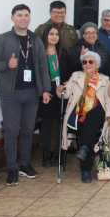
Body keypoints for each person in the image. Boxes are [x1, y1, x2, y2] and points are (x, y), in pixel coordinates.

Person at [0, 4, 52, 186]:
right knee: (11, 132)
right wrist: (6, 65)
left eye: (26, 15)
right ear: (12, 18)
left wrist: (45, 90)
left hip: (32, 93)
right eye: (19, 15)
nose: (23, 18)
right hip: (10, 94)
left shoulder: (35, 39)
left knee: (28, 131)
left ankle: (25, 165)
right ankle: (12, 169)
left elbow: (42, 66)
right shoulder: (2, 39)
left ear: (30, 18)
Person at [59, 51, 110, 183]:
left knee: (93, 115)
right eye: (85, 62)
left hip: (98, 114)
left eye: (91, 61)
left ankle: (85, 169)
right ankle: (85, 163)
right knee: (87, 133)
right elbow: (66, 95)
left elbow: (108, 100)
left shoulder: (104, 79)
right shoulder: (76, 76)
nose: (88, 64)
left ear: (97, 65)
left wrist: (109, 114)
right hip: (78, 116)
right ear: (82, 65)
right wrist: (61, 89)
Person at [37, 25, 72, 168]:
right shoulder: (39, 54)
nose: (54, 37)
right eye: (51, 34)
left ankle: (60, 151)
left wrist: (66, 82)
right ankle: (46, 153)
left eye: (56, 34)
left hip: (60, 91)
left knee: (61, 121)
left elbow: (69, 72)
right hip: (46, 90)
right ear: (45, 36)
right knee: (47, 122)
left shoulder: (63, 54)